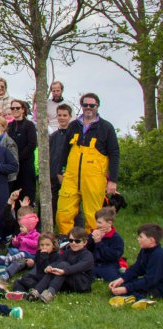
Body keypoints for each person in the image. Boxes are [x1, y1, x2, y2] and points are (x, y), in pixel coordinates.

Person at [57, 92, 120, 234]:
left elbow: (114, 154)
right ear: (81, 106)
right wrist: (60, 171)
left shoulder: (106, 127)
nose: (88, 108)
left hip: (94, 179)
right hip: (71, 178)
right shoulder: (73, 125)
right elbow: (64, 150)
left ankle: (94, 242)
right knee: (63, 213)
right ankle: (67, 241)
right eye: (85, 105)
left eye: (92, 105)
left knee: (93, 215)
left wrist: (113, 180)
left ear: (97, 106)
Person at [27, 226, 94, 304]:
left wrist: (64, 271)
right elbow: (58, 262)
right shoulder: (67, 252)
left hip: (82, 284)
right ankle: (37, 291)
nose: (73, 243)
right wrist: (50, 267)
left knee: (63, 265)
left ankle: (50, 292)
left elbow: (78, 267)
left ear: (85, 242)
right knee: (55, 268)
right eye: (71, 240)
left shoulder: (88, 255)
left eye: (77, 241)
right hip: (68, 281)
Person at [109, 223, 163, 307]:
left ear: (151, 240)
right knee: (120, 287)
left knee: (128, 289)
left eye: (141, 237)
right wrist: (121, 279)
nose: (138, 239)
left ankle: (141, 299)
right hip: (150, 282)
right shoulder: (145, 250)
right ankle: (130, 297)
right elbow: (137, 268)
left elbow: (150, 280)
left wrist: (127, 288)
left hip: (158, 286)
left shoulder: (158, 255)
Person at [7, 100, 38, 203]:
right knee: (14, 195)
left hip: (26, 165)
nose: (15, 110)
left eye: (17, 108)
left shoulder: (29, 125)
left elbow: (32, 144)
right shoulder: (10, 126)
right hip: (13, 167)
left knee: (27, 195)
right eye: (12, 108)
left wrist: (18, 157)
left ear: (23, 110)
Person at [88, 206, 124, 282]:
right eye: (96, 222)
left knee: (112, 276)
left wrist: (99, 243)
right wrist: (91, 239)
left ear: (109, 223)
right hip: (93, 263)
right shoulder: (94, 234)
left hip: (109, 264)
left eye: (100, 222)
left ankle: (121, 271)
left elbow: (112, 256)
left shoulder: (116, 239)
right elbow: (87, 250)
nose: (97, 225)